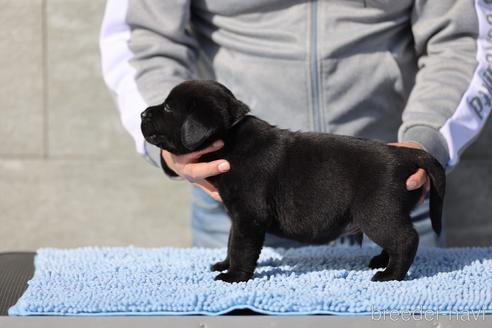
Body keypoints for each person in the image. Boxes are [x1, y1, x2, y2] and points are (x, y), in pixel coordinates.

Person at [100, 0, 491, 248]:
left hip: (386, 187)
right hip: (238, 202)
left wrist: (428, 137)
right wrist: (171, 145)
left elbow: (463, 39)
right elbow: (140, 37)